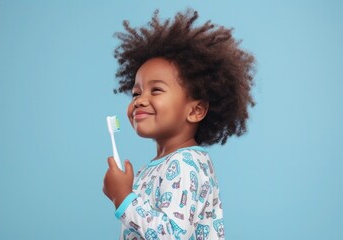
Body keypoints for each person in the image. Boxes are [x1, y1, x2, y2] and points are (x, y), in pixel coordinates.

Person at [103, 8, 255, 240]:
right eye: (135, 93)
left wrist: (123, 198)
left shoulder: (185, 164)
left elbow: (172, 235)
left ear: (195, 110)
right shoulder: (156, 167)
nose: (140, 100)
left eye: (156, 90)